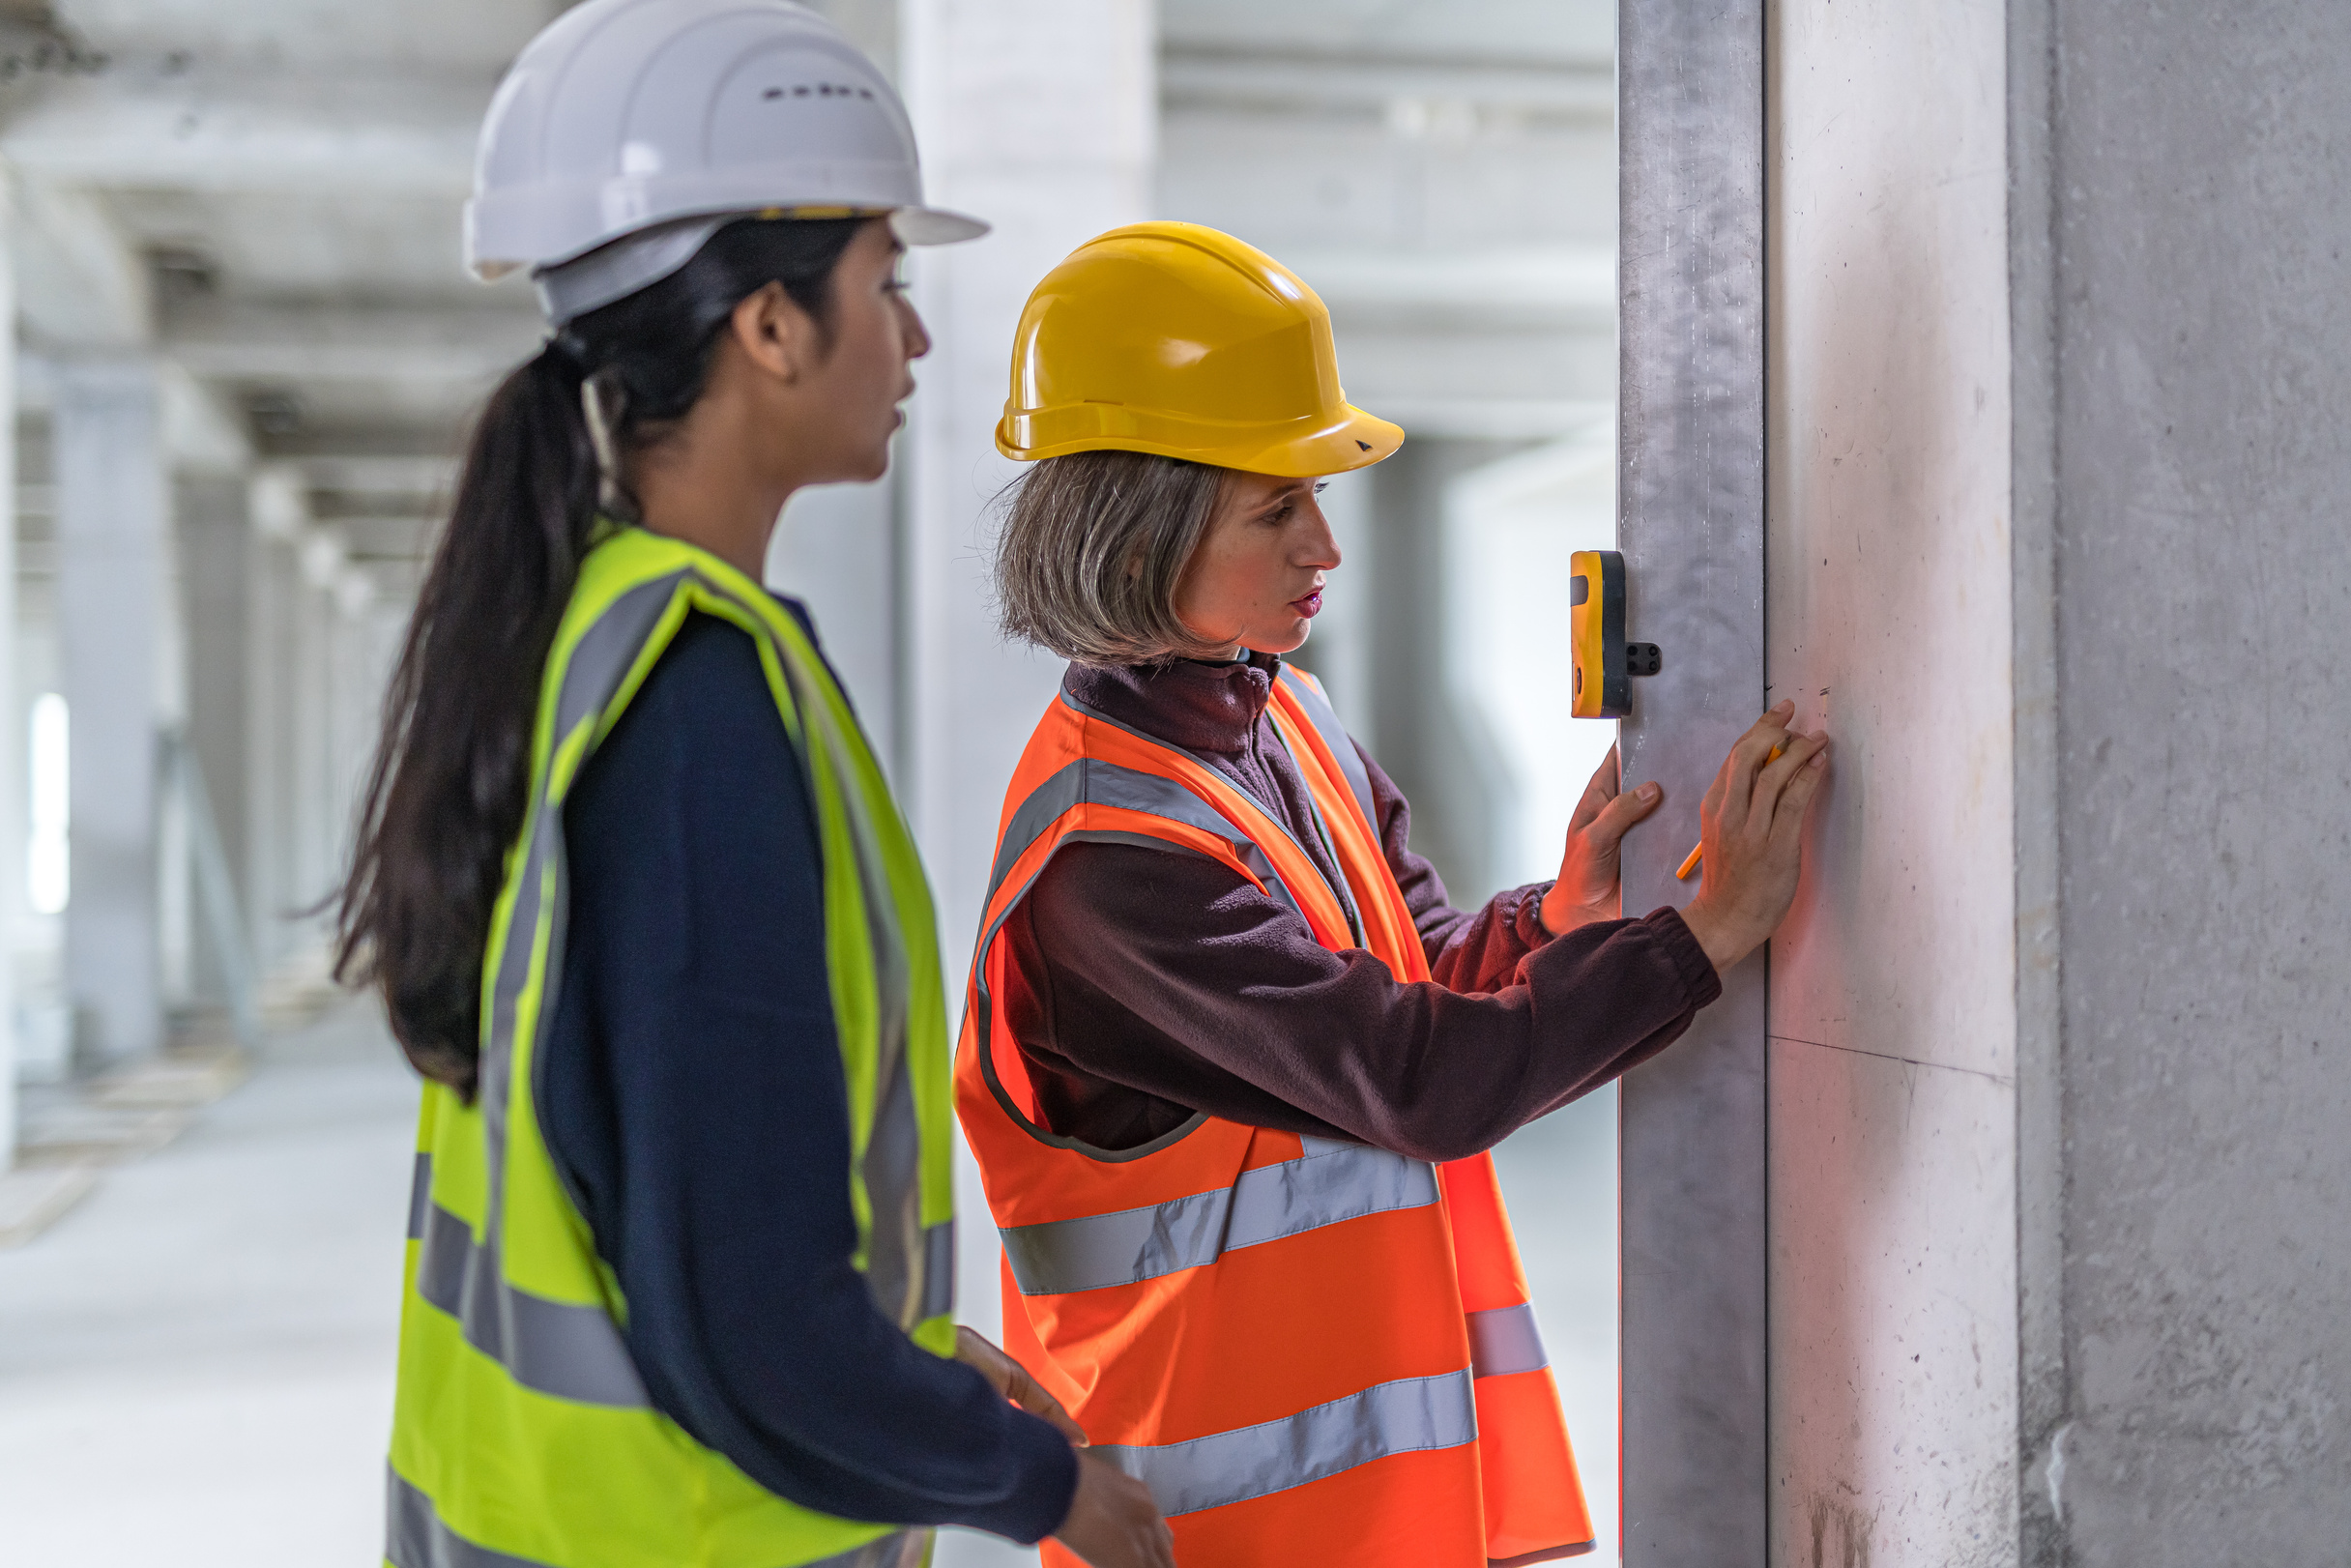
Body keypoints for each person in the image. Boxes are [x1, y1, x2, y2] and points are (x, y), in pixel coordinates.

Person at [333, 6, 1173, 1567]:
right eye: (886, 282)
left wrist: (914, 1381)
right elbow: (757, 1317)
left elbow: (669, 1200)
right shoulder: (692, 707)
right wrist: (1040, 1487)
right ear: (768, 328)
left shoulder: (588, 638)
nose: (917, 337)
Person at [954, 222, 1830, 1568]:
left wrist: (1549, 920)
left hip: (1362, 1530)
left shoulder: (1283, 719)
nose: (1325, 544)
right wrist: (1702, 937)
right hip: (1210, 1538)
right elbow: (1419, 1076)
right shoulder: (1102, 869)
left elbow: (1414, 967)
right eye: (1276, 508)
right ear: (1140, 543)